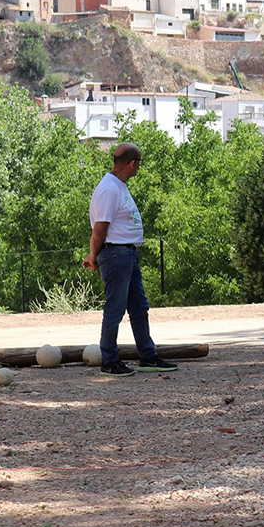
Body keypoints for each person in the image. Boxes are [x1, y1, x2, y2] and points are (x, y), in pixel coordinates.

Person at [82, 142, 176, 377]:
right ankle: (110, 360)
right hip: (115, 254)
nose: (139, 167)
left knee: (139, 307)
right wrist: (93, 256)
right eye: (139, 163)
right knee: (115, 308)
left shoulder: (119, 186)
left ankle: (148, 356)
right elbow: (100, 229)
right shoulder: (109, 189)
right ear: (132, 163)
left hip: (127, 254)